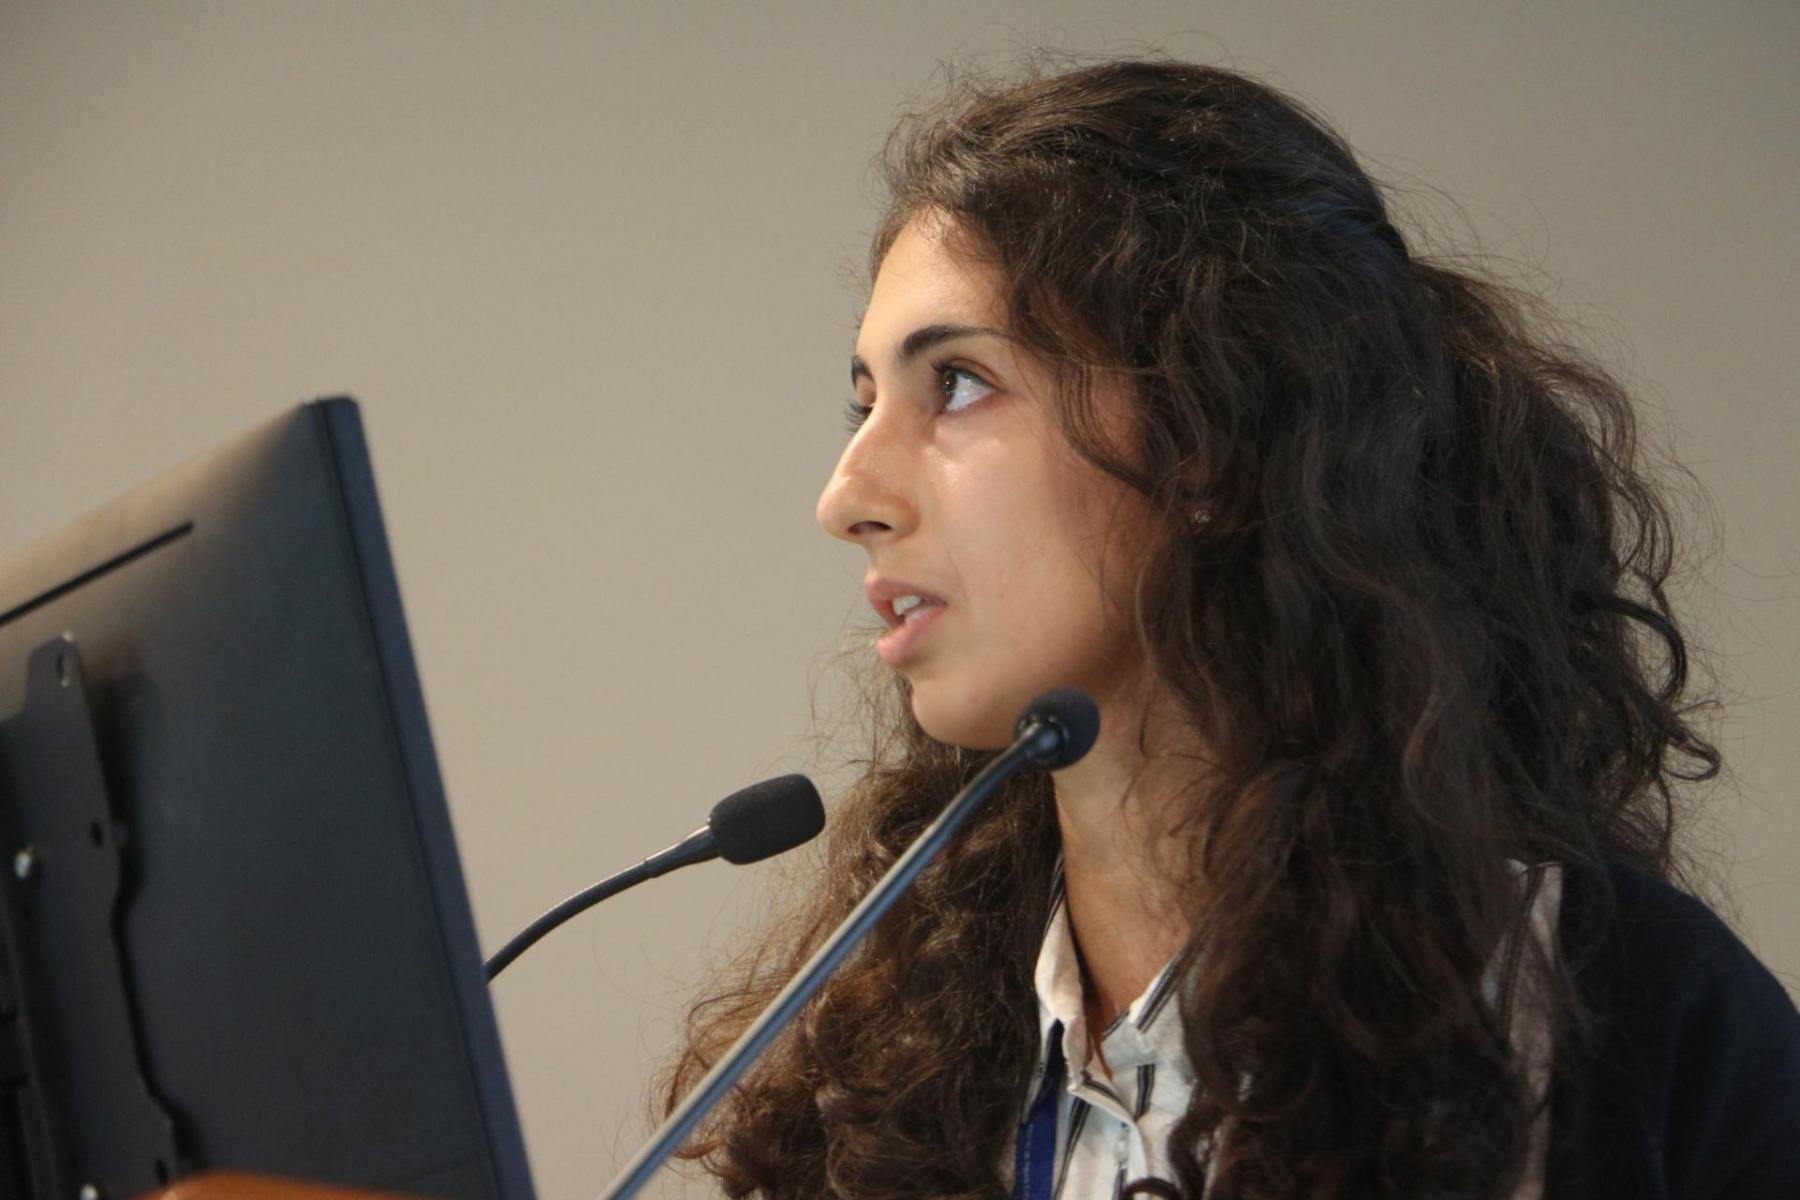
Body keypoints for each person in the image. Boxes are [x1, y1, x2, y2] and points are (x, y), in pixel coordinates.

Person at [653, 55, 1800, 1199]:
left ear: (1212, 434)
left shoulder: (1632, 1019)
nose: (847, 497)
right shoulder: (874, 1075)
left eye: (955, 383)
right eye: (863, 405)